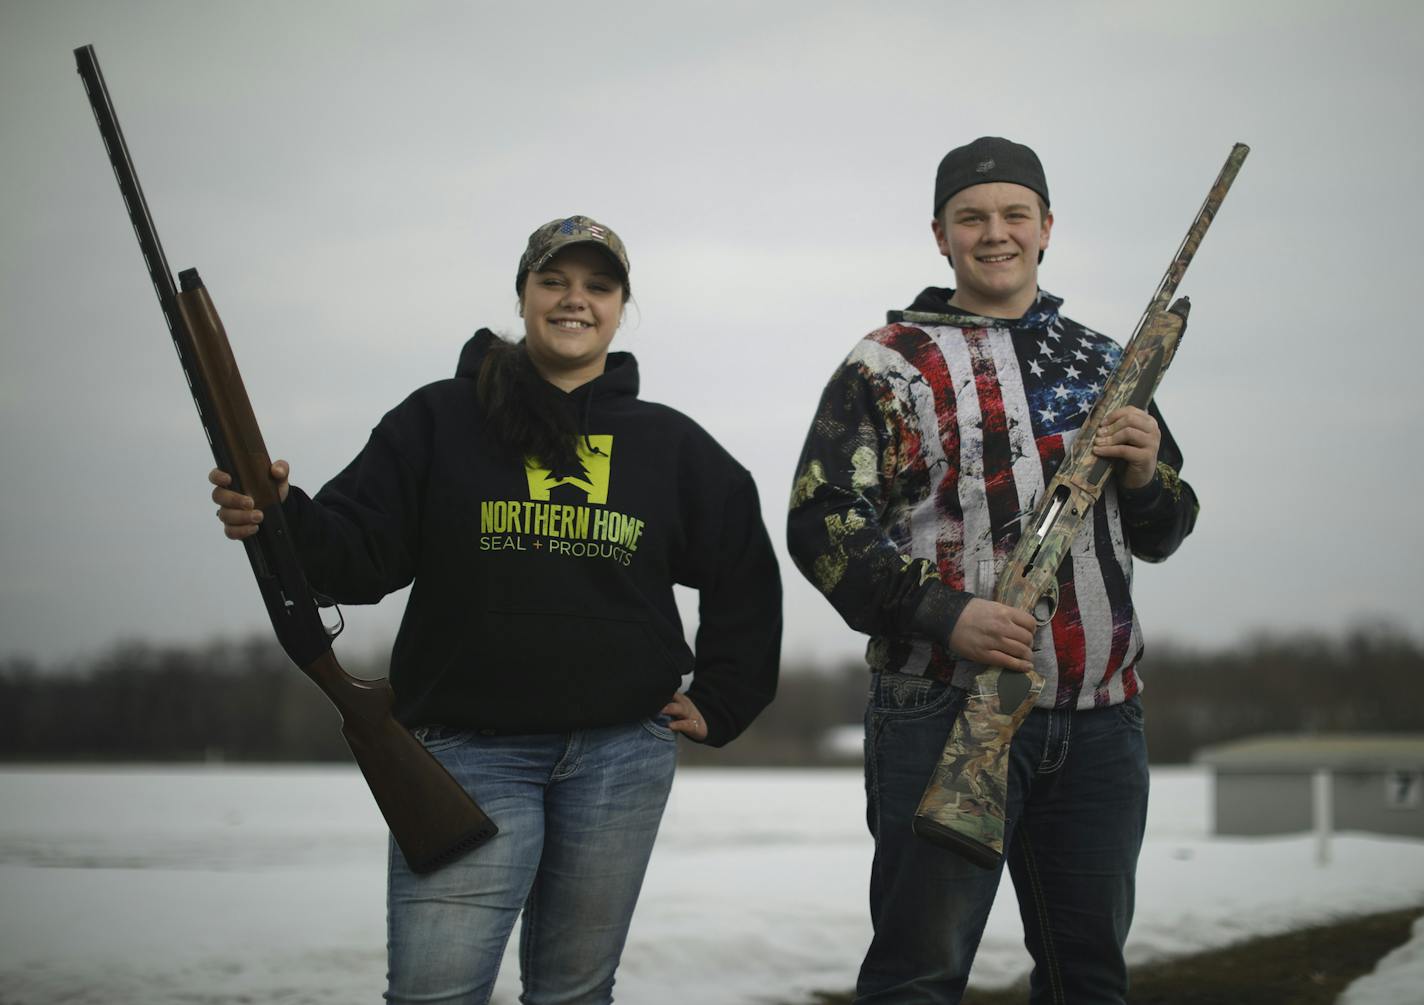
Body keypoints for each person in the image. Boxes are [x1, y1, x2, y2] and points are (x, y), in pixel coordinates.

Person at [210, 215, 782, 1004]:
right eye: (553, 281)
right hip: (467, 754)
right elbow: (354, 551)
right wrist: (280, 514)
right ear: (522, 294)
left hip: (619, 758)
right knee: (434, 993)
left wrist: (724, 696)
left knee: (575, 994)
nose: (573, 300)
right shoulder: (439, 419)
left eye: (597, 286)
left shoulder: (670, 446)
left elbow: (744, 569)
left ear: (621, 307)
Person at [786, 138, 1197, 1004]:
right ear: (941, 234)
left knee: (1089, 978)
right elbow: (822, 523)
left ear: (1047, 227)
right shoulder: (888, 362)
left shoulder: (1105, 364)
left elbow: (1165, 528)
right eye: (972, 217)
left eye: (1016, 214)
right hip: (937, 707)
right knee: (918, 979)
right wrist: (946, 614)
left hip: (1099, 722)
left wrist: (1143, 471)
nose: (996, 233)